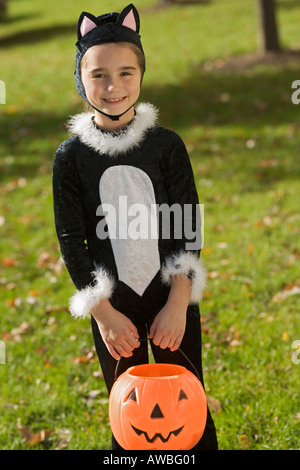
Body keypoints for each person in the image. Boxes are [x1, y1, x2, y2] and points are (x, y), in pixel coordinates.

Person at [53, 3, 218, 450]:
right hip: (115, 308)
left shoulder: (166, 146)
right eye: (99, 74)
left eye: (126, 73)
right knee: (131, 416)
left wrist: (179, 302)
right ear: (80, 78)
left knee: (185, 409)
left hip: (170, 298)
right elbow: (72, 239)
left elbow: (188, 225)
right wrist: (104, 315)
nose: (113, 86)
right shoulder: (71, 158)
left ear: (142, 75)